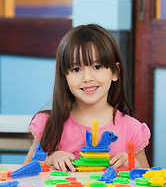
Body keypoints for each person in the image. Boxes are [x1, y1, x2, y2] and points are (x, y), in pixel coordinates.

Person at [25, 24, 150, 171]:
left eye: (97, 67)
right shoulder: (48, 125)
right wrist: (51, 159)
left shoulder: (132, 129)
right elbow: (26, 176)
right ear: (64, 77)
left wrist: (134, 165)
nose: (87, 78)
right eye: (76, 69)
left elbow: (148, 183)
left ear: (115, 72)